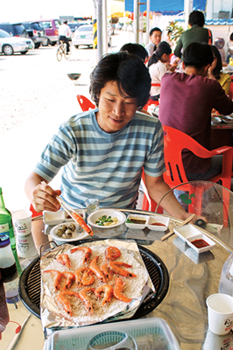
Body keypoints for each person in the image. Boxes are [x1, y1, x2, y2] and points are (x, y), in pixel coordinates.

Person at [25, 52, 192, 251]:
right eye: (110, 100)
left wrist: (182, 216)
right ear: (97, 94)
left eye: (129, 103)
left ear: (140, 102)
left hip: (122, 226)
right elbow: (33, 179)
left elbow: (155, 184)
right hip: (74, 227)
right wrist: (37, 194)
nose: (118, 111)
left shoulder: (151, 129)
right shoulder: (72, 130)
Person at [159, 42, 233, 180]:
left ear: (182, 64)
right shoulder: (209, 85)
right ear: (207, 67)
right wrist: (210, 76)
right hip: (193, 169)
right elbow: (228, 109)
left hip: (163, 165)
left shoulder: (166, 79)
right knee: (229, 158)